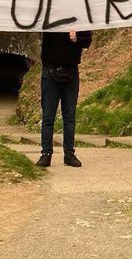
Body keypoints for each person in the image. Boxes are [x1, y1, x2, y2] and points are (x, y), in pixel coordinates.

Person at [37, 29, 92, 168]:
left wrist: (76, 39)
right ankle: (46, 154)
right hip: (50, 71)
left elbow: (87, 41)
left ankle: (69, 154)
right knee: (48, 117)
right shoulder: (50, 16)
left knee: (69, 116)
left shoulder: (80, 19)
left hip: (71, 71)